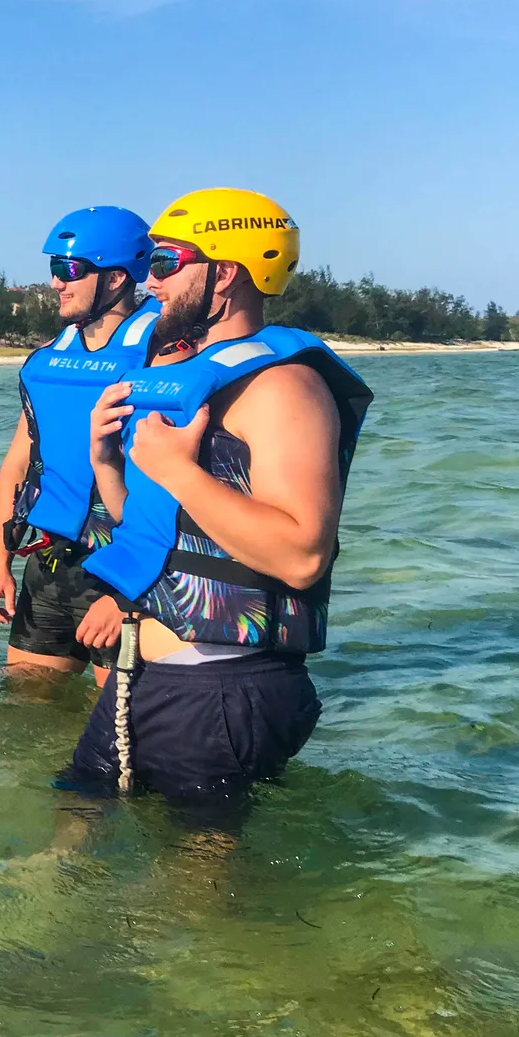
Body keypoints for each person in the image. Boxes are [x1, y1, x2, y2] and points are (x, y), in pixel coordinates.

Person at [66, 189, 373, 800]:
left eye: (164, 263)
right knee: (71, 819)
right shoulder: (184, 381)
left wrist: (174, 468)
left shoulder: (284, 388)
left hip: (224, 690)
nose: (148, 282)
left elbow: (302, 554)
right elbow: (172, 538)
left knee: (197, 890)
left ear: (225, 274)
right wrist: (106, 464)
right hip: (148, 673)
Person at [0, 207, 160, 686]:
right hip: (48, 564)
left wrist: (131, 593)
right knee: (20, 711)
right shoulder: (49, 359)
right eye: (54, 269)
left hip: (119, 568)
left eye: (70, 270)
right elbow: (18, 463)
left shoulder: (162, 352)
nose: (57, 283)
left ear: (118, 277)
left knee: (117, 729)